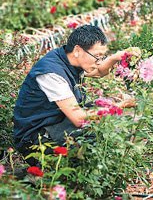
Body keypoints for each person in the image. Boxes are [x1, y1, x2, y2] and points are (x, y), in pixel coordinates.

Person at [13, 25, 130, 165]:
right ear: (77, 50)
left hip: (56, 122)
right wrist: (118, 106)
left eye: (101, 56)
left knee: (105, 110)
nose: (99, 61)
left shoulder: (69, 58)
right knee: (100, 131)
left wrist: (117, 57)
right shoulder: (51, 73)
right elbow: (79, 119)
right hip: (36, 140)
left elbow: (99, 72)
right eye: (97, 56)